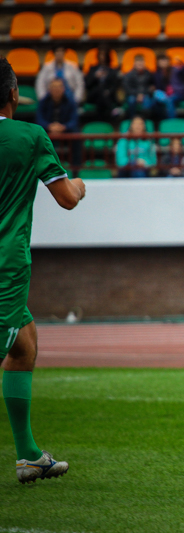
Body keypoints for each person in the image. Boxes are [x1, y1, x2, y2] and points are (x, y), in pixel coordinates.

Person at [0, 57, 85, 483]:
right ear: (14, 93)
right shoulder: (30, 136)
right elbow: (66, 198)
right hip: (5, 264)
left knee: (24, 345)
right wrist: (81, 186)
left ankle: (29, 455)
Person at [35, 79, 80, 168]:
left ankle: (76, 168)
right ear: (49, 89)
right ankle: (40, 167)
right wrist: (49, 126)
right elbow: (39, 119)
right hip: (48, 131)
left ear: (63, 89)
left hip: (65, 130)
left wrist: (63, 127)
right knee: (37, 135)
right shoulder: (43, 101)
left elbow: (74, 120)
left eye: (59, 87)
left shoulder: (70, 101)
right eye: (54, 87)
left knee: (77, 136)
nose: (56, 90)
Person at [84, 46, 122, 121]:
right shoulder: (92, 69)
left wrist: (108, 92)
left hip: (108, 96)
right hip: (93, 95)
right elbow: (87, 84)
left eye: (104, 55)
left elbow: (114, 85)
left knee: (101, 98)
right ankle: (112, 110)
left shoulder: (112, 71)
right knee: (99, 90)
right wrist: (95, 76)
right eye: (100, 55)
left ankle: (100, 121)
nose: (102, 57)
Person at [153, 53, 184, 120]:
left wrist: (182, 65)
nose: (163, 63)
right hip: (165, 95)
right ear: (157, 63)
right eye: (161, 61)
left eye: (165, 60)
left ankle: (171, 122)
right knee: (156, 101)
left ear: (169, 61)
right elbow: (159, 87)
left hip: (179, 93)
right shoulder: (157, 74)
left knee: (169, 100)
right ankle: (160, 123)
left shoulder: (175, 69)